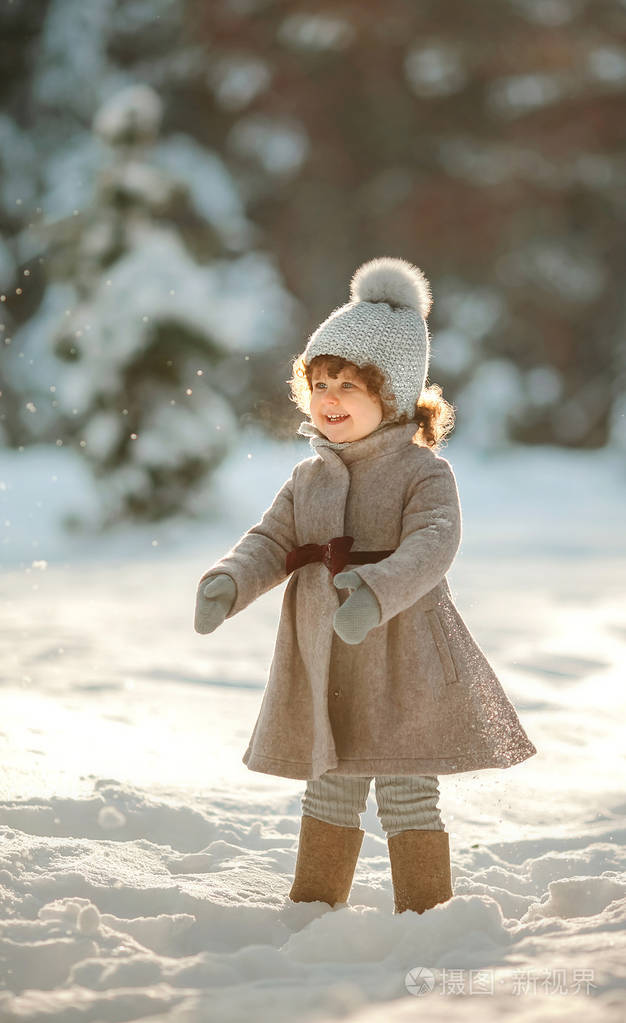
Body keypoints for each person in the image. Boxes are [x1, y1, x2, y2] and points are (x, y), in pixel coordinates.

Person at [194, 257, 537, 915]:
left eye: (349, 385)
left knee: (406, 785)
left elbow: (434, 544)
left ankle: (428, 915)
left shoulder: (421, 472)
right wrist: (230, 582)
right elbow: (271, 540)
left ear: (395, 393)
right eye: (319, 381)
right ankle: (313, 912)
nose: (329, 398)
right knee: (330, 781)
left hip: (404, 649)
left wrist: (377, 590)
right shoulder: (308, 477)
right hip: (329, 656)